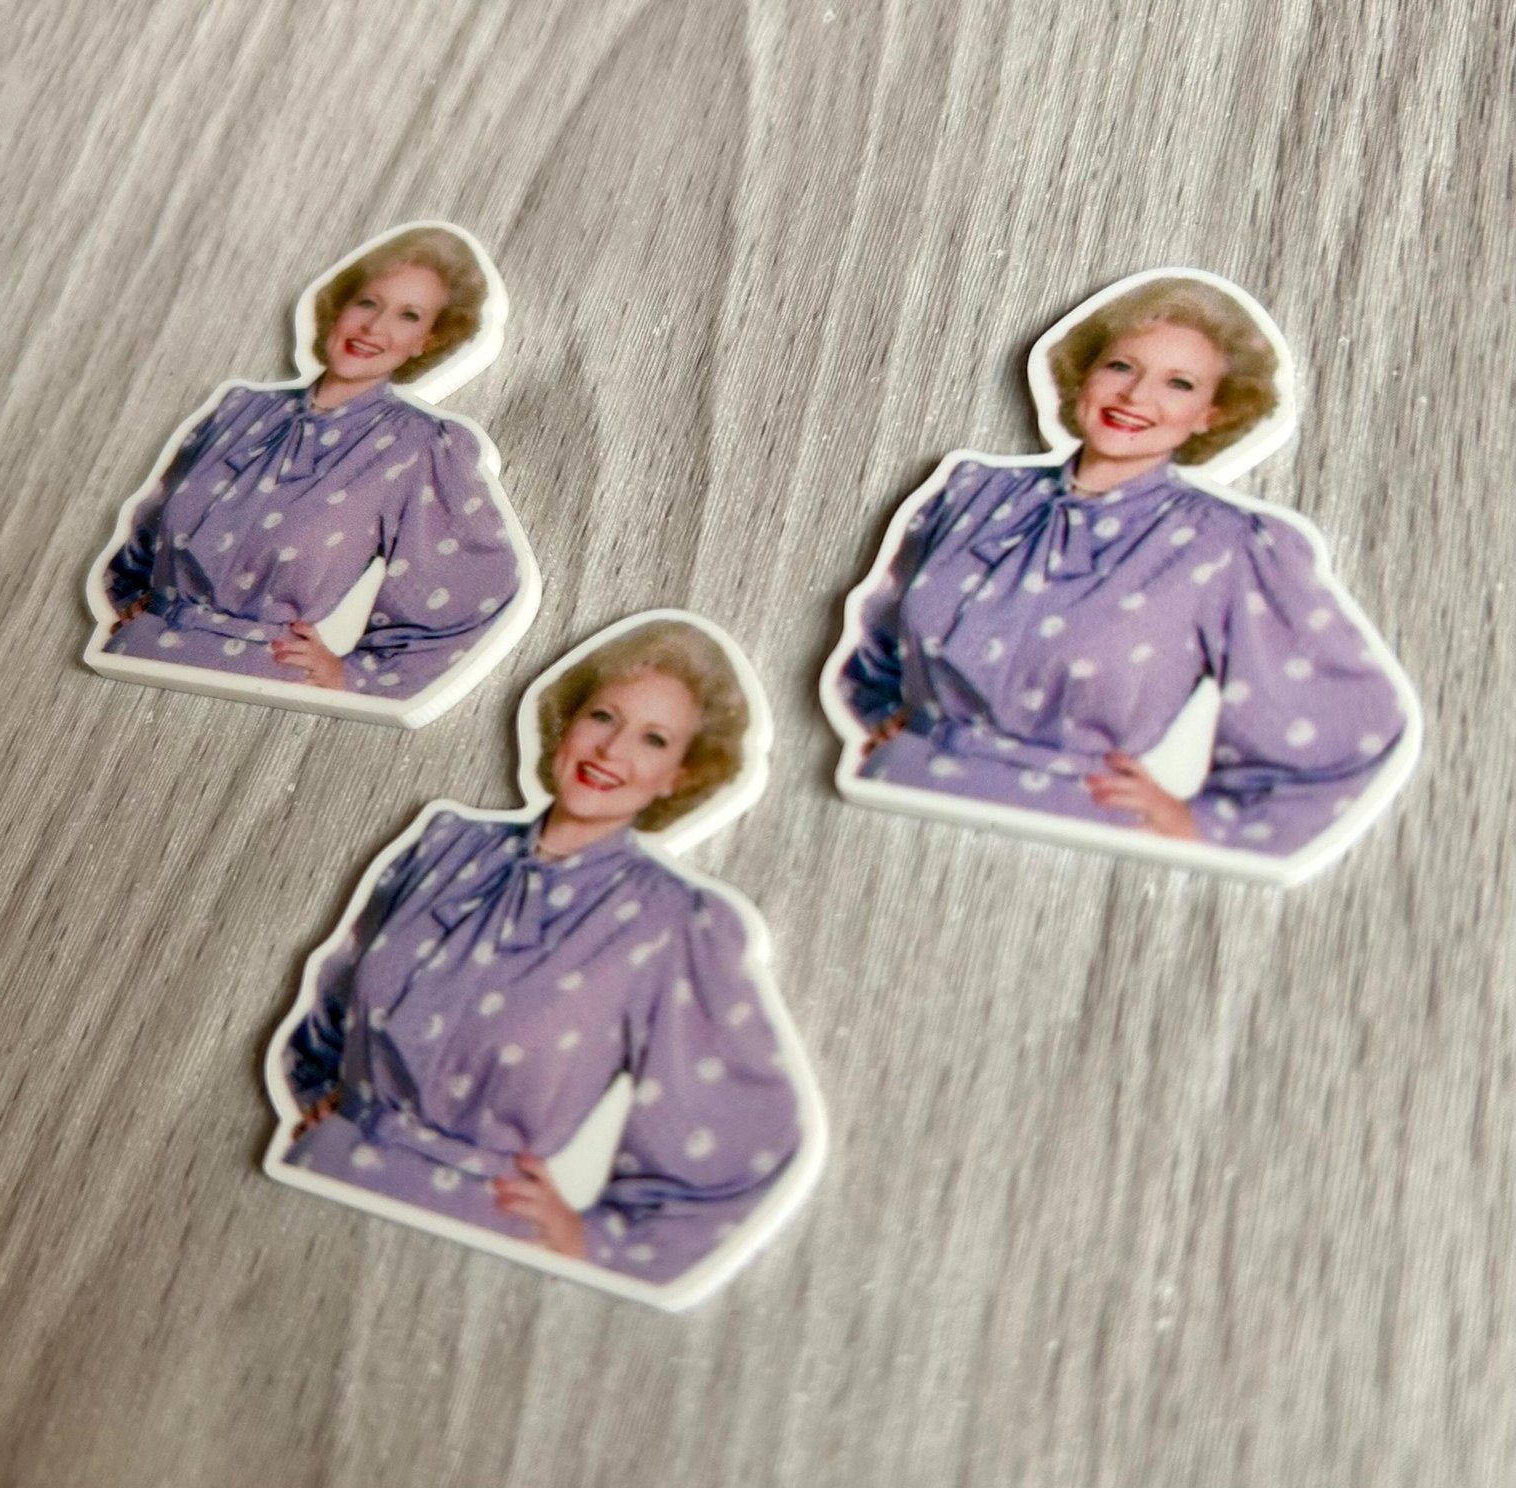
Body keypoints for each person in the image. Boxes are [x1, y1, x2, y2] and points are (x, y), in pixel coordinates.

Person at [271, 619, 806, 1288]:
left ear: (680, 774)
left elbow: (741, 1123)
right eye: (603, 716)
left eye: (654, 739)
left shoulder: (674, 924)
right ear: (568, 720)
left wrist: (597, 1241)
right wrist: (323, 1094)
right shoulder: (444, 845)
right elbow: (335, 996)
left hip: (468, 1249)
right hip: (313, 1173)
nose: (611, 749)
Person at [833, 274, 1412, 859]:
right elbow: (880, 638)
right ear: (1084, 373)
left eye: (1179, 383)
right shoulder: (971, 493)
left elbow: (1348, 716)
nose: (1135, 397)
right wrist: (888, 714)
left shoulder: (1228, 545)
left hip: (1066, 838)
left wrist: (1204, 824)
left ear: (1211, 413)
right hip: (888, 799)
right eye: (1120, 367)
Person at [97, 225, 524, 699]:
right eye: (368, 303)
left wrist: (357, 675)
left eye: (408, 315)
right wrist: (136, 598)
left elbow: (470, 584)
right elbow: (147, 534)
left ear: (428, 339)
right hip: (130, 658)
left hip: (255, 688)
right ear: (339, 307)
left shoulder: (420, 446)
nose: (373, 328)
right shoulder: (238, 409)